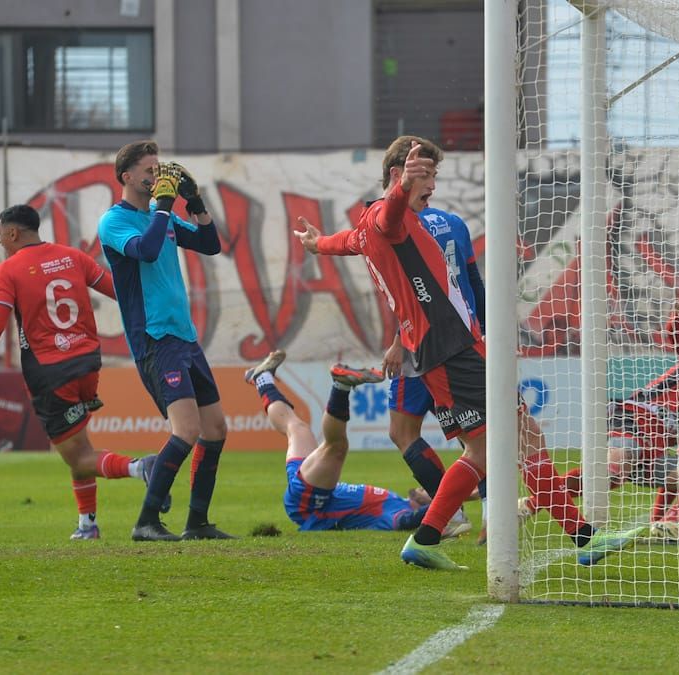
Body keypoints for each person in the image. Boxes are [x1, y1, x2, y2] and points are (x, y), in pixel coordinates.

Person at [294, 135, 641, 569]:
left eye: (435, 175)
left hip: (444, 349)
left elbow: (341, 242)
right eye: (427, 175)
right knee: (516, 440)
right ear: (399, 175)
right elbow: (391, 213)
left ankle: (428, 538)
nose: (433, 185)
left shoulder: (366, 225)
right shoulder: (387, 216)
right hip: (451, 348)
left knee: (490, 450)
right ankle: (583, 540)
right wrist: (404, 187)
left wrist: (316, 242)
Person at [0, 204, 155, 540]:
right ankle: (87, 524)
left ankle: (140, 468)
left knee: (79, 456)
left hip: (50, 371)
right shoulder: (73, 257)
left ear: (13, 233)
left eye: (0, 232)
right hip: (88, 362)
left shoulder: (6, 271)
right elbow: (122, 293)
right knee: (79, 442)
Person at [97, 140, 233, 541]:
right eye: (149, 171)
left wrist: (195, 201)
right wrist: (163, 206)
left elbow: (211, 244)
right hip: (154, 338)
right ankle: (146, 522)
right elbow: (147, 250)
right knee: (187, 429)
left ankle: (197, 523)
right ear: (127, 177)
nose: (158, 178)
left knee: (216, 429)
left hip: (184, 337)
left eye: (160, 170)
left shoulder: (164, 217)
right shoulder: (114, 221)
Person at [554, 303, 679, 539]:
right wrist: (678, 318)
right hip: (630, 419)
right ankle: (534, 502)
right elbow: (677, 336)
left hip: (653, 448)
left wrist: (658, 519)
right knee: (613, 473)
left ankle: (667, 526)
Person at [245, 349, 471, 534]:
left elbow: (407, 522)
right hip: (314, 490)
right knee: (296, 428)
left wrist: (441, 508)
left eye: (428, 491)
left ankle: (341, 387)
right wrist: (451, 499)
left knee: (336, 447)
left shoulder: (396, 511)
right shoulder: (397, 502)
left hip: (313, 504)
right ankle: (262, 378)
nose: (424, 487)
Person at [380, 205, 485, 543]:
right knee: (478, 437)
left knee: (403, 431)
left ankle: (451, 515)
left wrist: (397, 341)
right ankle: (492, 518)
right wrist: (486, 332)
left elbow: (413, 292)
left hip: (420, 345)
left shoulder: (397, 225)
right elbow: (473, 281)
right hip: (466, 343)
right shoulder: (455, 223)